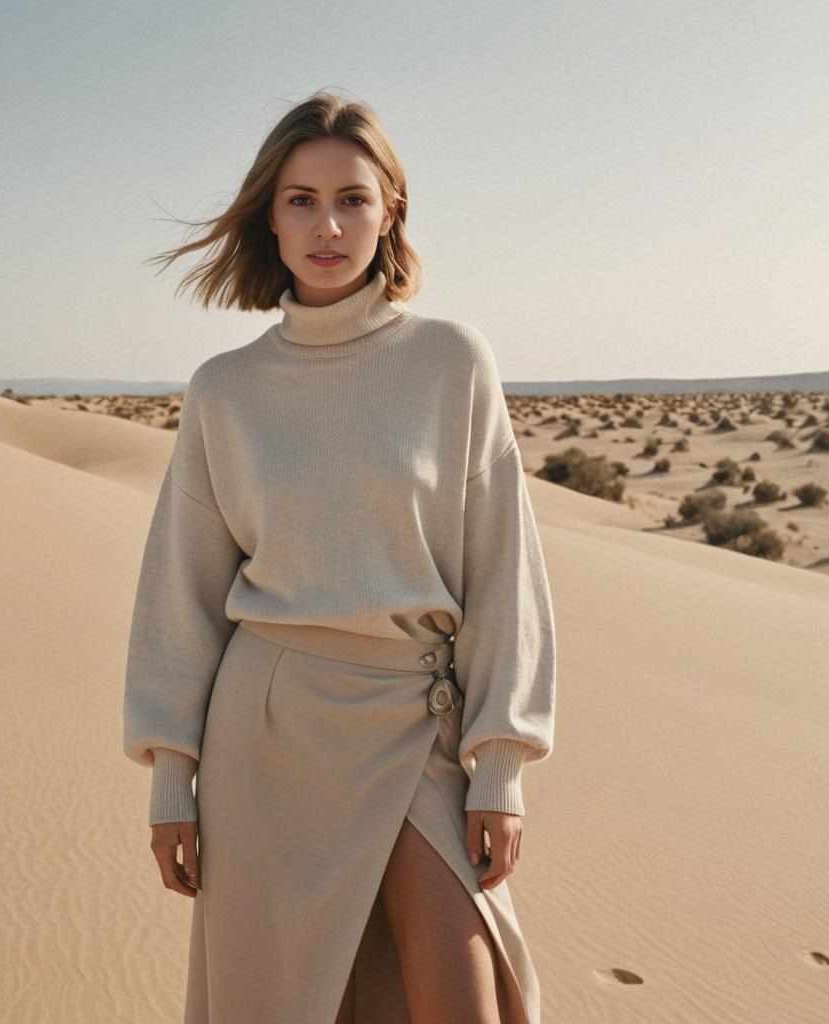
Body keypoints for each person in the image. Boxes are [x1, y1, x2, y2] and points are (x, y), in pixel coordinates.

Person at [123, 90, 557, 1024]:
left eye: (353, 199)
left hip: (419, 723)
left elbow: (503, 571)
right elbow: (182, 591)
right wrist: (171, 778)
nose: (328, 224)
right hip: (266, 736)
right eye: (301, 200)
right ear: (268, 216)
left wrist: (499, 765)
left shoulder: (453, 362)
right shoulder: (225, 391)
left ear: (391, 209)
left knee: (463, 1000)